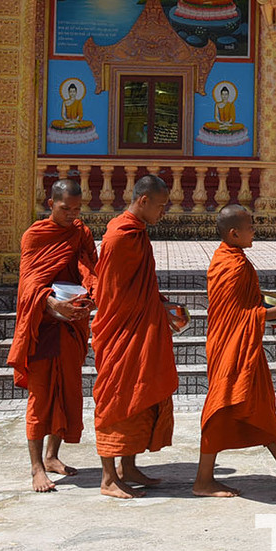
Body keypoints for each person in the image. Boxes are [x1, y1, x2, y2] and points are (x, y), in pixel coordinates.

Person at [194, 204, 276, 496]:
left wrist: (270, 308)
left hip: (242, 344)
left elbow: (244, 304)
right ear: (234, 233)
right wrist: (274, 313)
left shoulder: (231, 258)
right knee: (222, 406)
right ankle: (203, 480)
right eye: (250, 226)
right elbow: (235, 316)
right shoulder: (231, 265)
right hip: (230, 345)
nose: (255, 230)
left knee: (259, 402)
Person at [90, 174, 183, 499]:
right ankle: (107, 478)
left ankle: (128, 467)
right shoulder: (119, 236)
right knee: (115, 399)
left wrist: (160, 306)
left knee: (140, 397)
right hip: (121, 332)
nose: (162, 212)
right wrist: (148, 310)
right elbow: (111, 294)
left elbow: (139, 285)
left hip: (140, 327)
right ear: (143, 201)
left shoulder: (137, 233)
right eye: (159, 206)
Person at [5, 179, 98, 493]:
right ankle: (36, 468)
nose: (71, 215)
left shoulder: (81, 233)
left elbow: (89, 268)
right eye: (64, 208)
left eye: (76, 209)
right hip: (42, 324)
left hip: (71, 323)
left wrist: (91, 295)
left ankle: (53, 455)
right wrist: (50, 301)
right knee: (41, 397)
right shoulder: (35, 235)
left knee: (66, 389)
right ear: (50, 203)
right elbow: (28, 283)